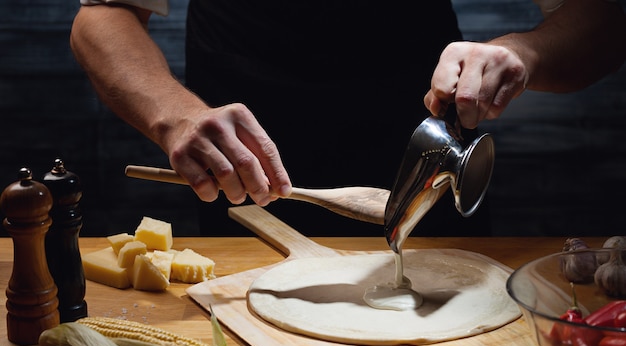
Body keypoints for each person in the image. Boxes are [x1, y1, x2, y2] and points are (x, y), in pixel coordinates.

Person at [69, 0, 625, 237]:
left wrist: (523, 54)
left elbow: (601, 23)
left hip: (422, 151)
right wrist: (175, 117)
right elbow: (102, 17)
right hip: (249, 169)